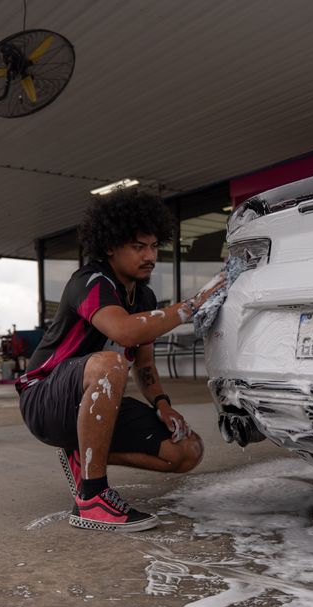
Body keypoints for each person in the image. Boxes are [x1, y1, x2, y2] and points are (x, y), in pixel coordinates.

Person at [16, 189, 225, 533]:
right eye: (138, 246)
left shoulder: (144, 296)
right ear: (111, 246)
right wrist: (191, 304)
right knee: (111, 363)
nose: (150, 256)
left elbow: (143, 363)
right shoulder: (90, 281)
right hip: (45, 398)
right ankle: (93, 497)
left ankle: (80, 454)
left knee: (187, 450)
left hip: (89, 403)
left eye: (154, 246)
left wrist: (163, 404)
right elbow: (125, 332)